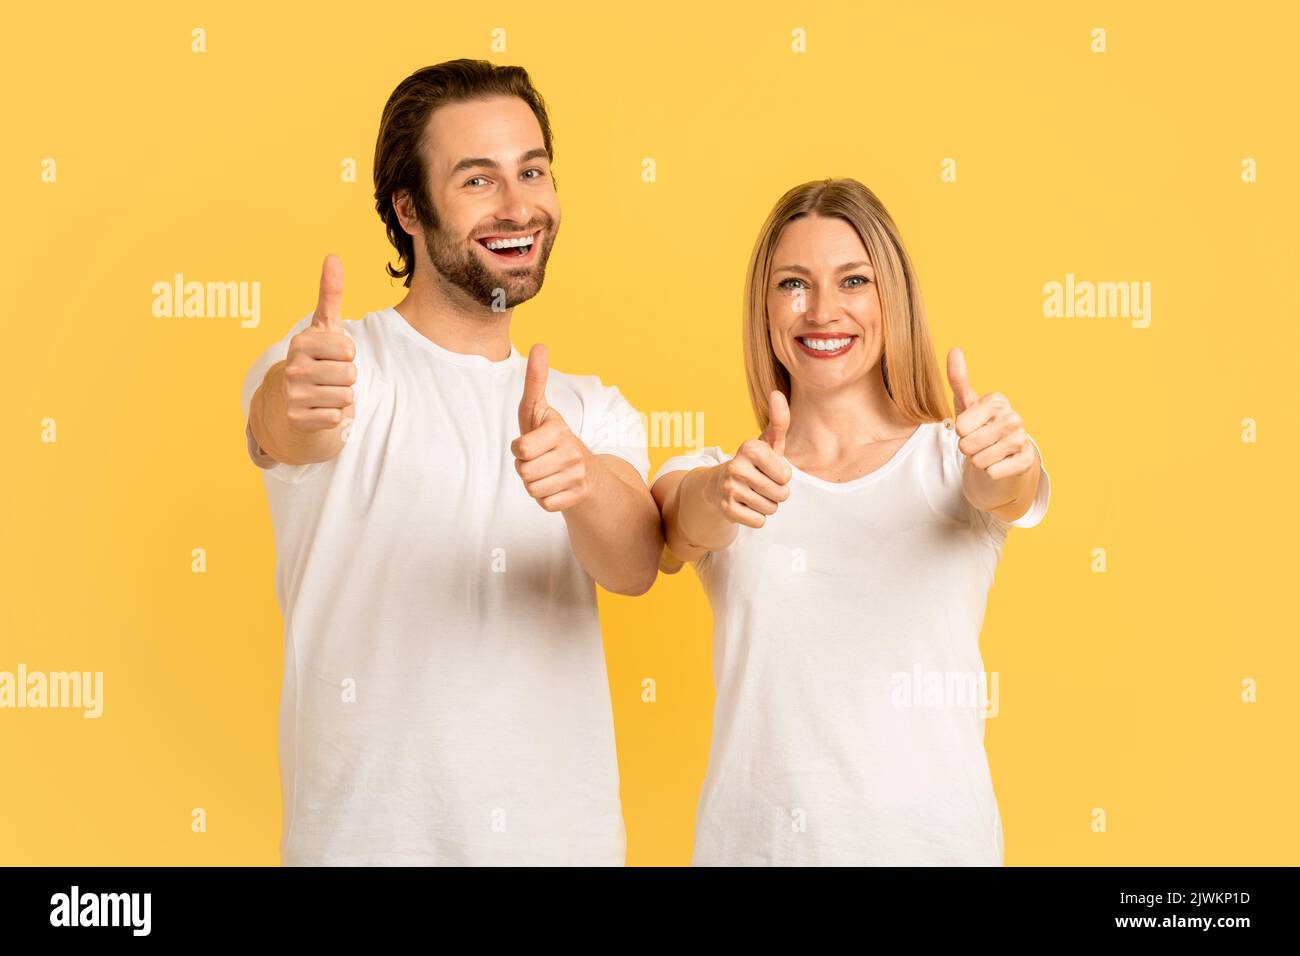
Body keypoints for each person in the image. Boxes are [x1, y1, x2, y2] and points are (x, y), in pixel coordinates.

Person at [240, 59, 662, 865]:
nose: (518, 206)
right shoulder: (335, 365)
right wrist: (292, 405)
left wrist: (579, 484)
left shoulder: (589, 408)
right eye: (478, 180)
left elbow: (637, 562)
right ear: (407, 208)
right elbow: (285, 429)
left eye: (531, 171)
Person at [651, 178, 1052, 866]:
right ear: (766, 308)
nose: (823, 311)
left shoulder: (957, 458)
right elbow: (675, 525)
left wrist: (1002, 461)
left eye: (854, 281)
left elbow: (1011, 487)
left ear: (890, 298)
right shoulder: (729, 475)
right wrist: (719, 494)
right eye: (794, 284)